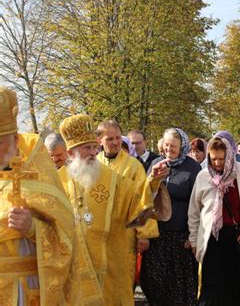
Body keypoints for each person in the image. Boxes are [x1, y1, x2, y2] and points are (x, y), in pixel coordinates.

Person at [58, 114, 157, 305]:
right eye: (87, 148)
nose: (94, 152)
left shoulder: (112, 179)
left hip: (109, 260)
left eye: (94, 147)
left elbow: (138, 200)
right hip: (74, 264)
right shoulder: (57, 181)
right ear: (71, 153)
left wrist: (153, 184)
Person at [0, 87, 85, 305]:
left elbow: (65, 235)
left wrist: (31, 227)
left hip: (24, 290)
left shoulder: (38, 172)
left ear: (15, 138)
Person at [188, 136, 240, 306]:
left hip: (237, 238)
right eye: (213, 159)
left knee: (236, 288)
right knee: (212, 290)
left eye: (221, 159)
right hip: (211, 239)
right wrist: (194, 241)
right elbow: (194, 213)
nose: (217, 163)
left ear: (229, 155)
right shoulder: (203, 176)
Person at [141, 128, 201, 305]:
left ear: (182, 146)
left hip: (181, 237)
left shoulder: (193, 168)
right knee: (155, 283)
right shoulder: (156, 163)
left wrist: (193, 235)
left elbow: (198, 203)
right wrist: (154, 177)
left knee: (180, 287)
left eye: (173, 146)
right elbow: (144, 195)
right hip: (158, 237)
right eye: (166, 145)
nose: (168, 149)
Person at [96, 120, 159, 288]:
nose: (115, 142)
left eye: (117, 138)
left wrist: (143, 233)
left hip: (125, 232)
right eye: (109, 139)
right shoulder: (94, 164)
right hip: (99, 233)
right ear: (99, 141)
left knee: (123, 280)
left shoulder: (133, 166)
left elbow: (143, 199)